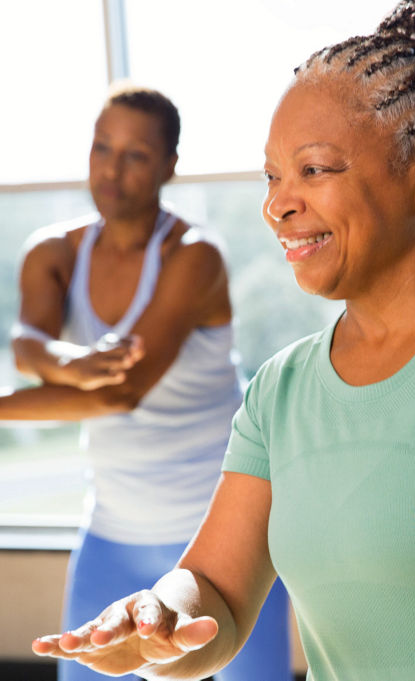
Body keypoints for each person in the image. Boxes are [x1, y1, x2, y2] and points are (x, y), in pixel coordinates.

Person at [31, 1, 415, 679]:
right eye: (273, 176)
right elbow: (217, 590)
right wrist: (161, 618)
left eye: (315, 170)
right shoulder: (281, 389)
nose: (278, 203)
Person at [2, 84, 293, 681]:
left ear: (169, 166)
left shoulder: (195, 255)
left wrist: (67, 374)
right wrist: (72, 360)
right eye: (102, 147)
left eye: (135, 154)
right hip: (113, 532)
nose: (112, 169)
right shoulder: (52, 252)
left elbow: (120, 393)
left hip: (223, 538)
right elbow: (27, 345)